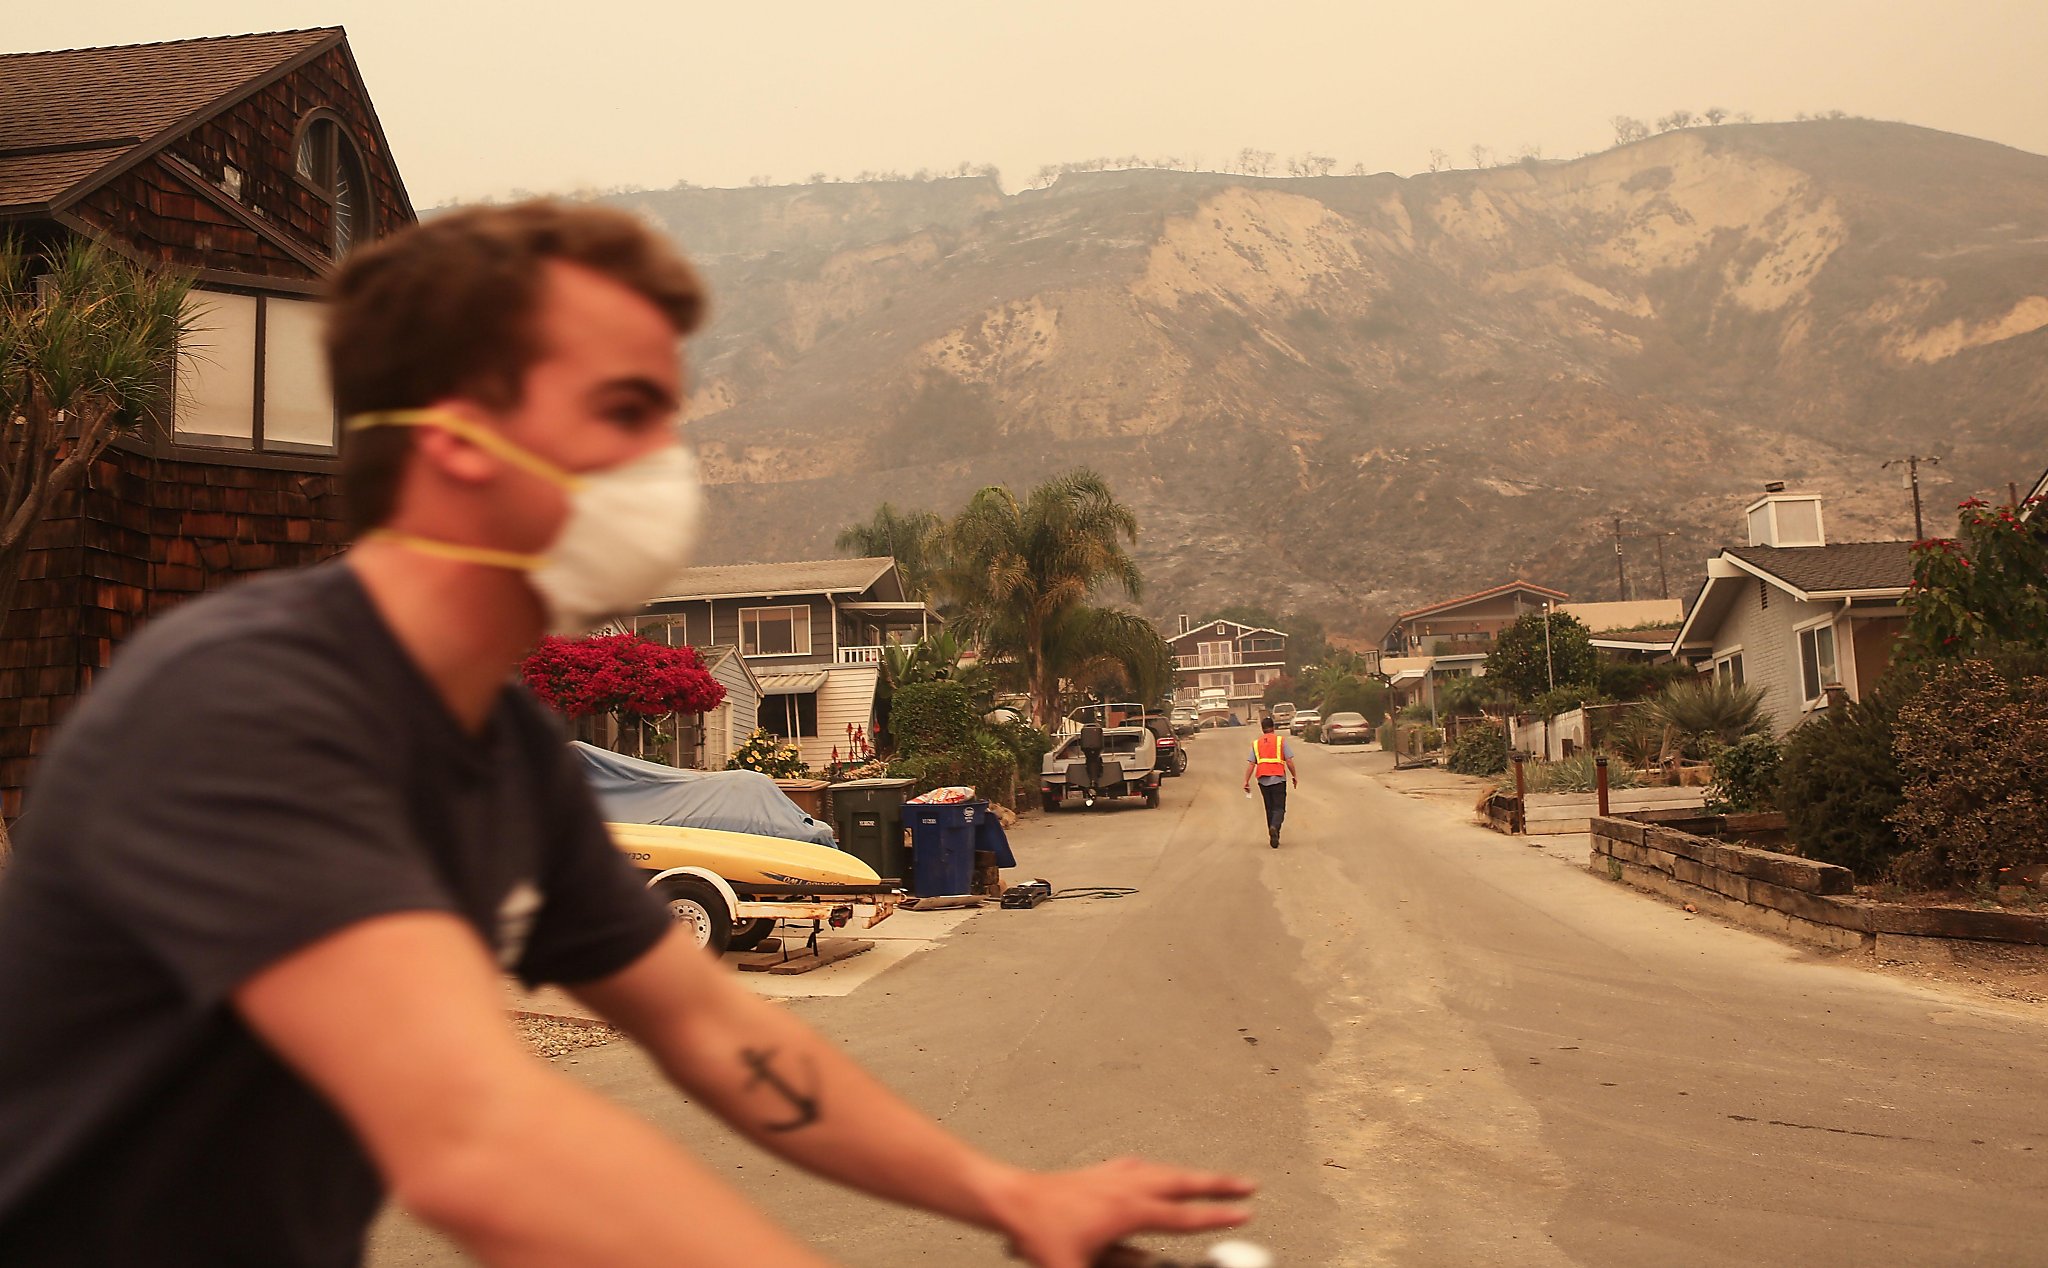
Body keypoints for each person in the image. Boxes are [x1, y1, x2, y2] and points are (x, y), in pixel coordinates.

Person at [0, 203, 1253, 1267]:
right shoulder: (253, 702)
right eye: (621, 409)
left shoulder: (501, 751)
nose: (664, 463)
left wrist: (1007, 1196)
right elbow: (472, 1134)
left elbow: (716, 1027)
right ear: (453, 444)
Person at [1242, 716, 1299, 849]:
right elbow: (1289, 761)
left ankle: (1274, 836)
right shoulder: (1280, 741)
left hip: (1262, 779)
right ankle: (1275, 827)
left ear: (1262, 729)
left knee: (1269, 808)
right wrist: (1294, 775)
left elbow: (1251, 763)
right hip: (1278, 778)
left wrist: (1246, 780)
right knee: (1279, 808)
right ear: (1273, 727)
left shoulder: (1256, 743)